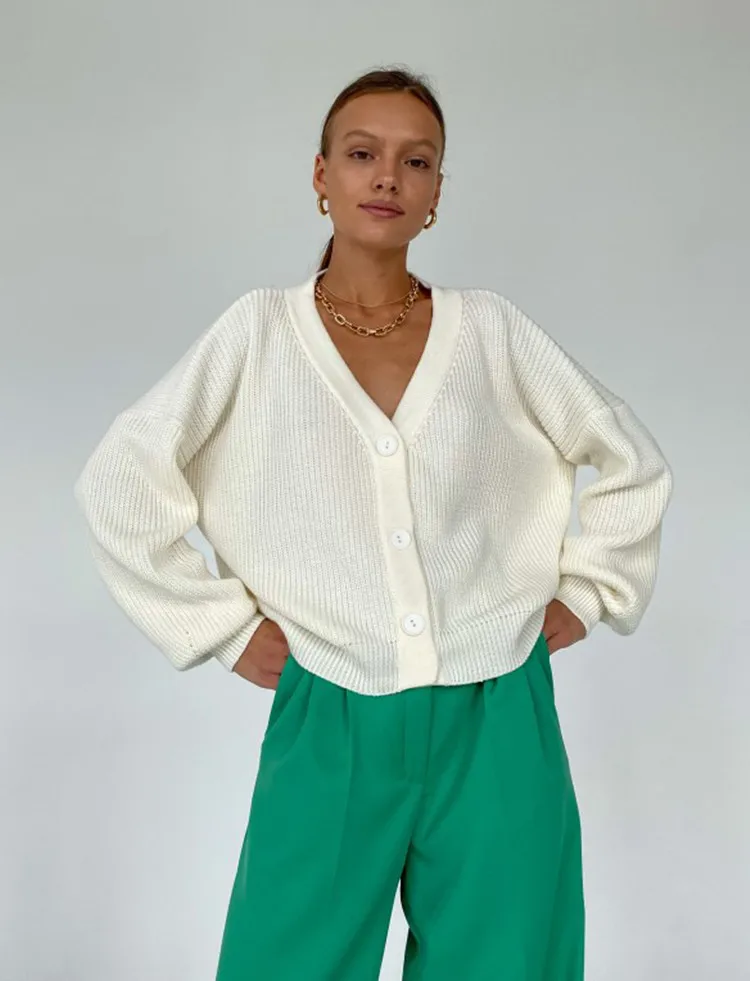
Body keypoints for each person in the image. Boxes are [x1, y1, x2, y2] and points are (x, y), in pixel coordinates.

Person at [74, 67, 673, 981]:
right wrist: (220, 628)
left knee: (509, 961)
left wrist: (592, 591)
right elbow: (121, 482)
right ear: (321, 175)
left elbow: (629, 457)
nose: (388, 176)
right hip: (330, 706)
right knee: (286, 960)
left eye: (415, 160)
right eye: (362, 154)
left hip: (497, 711)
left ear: (437, 192)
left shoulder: (493, 332)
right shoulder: (256, 334)